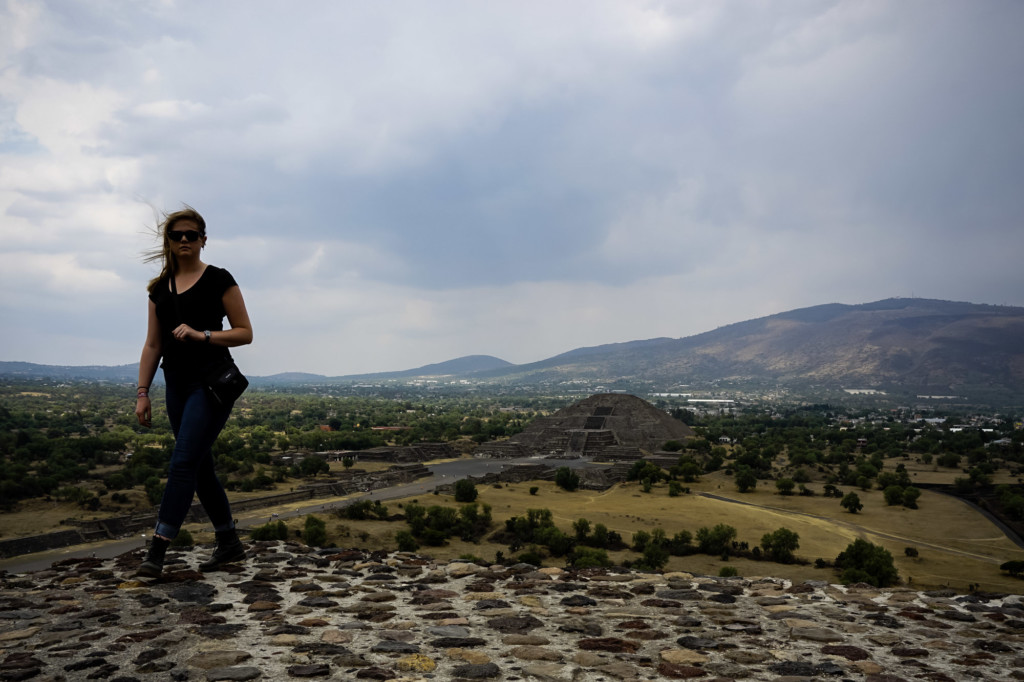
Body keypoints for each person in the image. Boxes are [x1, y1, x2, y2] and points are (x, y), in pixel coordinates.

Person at [134, 207, 253, 577]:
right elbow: (153, 345)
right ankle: (229, 541)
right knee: (200, 467)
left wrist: (203, 335)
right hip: (176, 386)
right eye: (176, 235)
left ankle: (156, 551)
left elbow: (244, 332)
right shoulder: (158, 291)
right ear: (168, 242)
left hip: (211, 383)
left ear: (204, 239)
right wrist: (142, 392)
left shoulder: (219, 279)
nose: (184, 240)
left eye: (191, 234)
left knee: (183, 462)